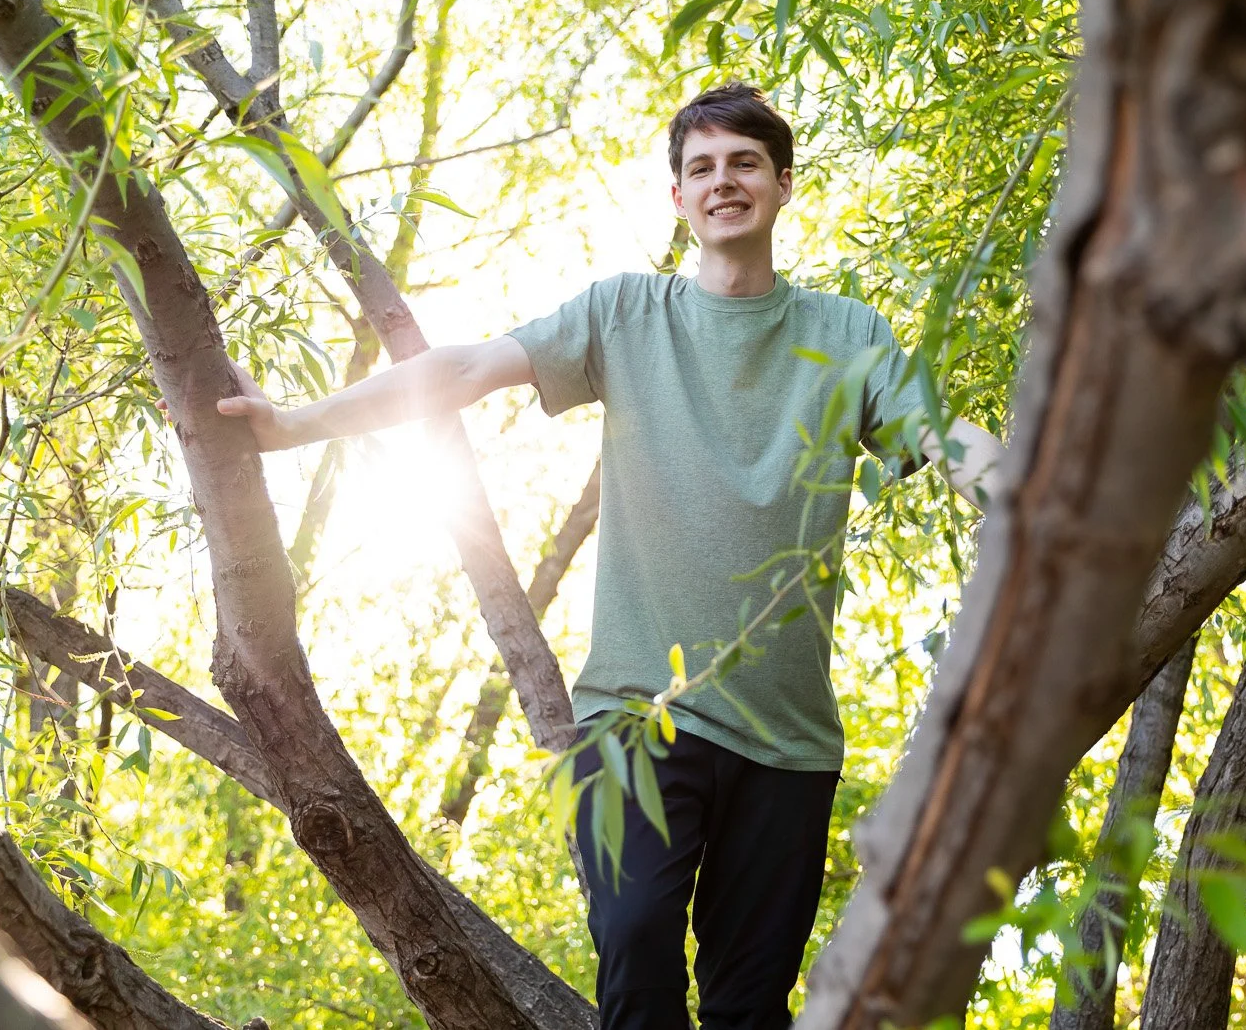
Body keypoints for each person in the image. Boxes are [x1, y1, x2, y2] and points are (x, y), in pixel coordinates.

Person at [218, 82, 1002, 1030]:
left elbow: (952, 441)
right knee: (634, 952)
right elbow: (462, 368)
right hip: (640, 718)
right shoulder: (627, 315)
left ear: (784, 184)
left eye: (744, 163)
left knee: (748, 1006)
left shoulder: (846, 336)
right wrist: (296, 424)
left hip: (788, 741)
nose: (723, 183)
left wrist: (1048, 499)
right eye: (701, 167)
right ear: (676, 196)